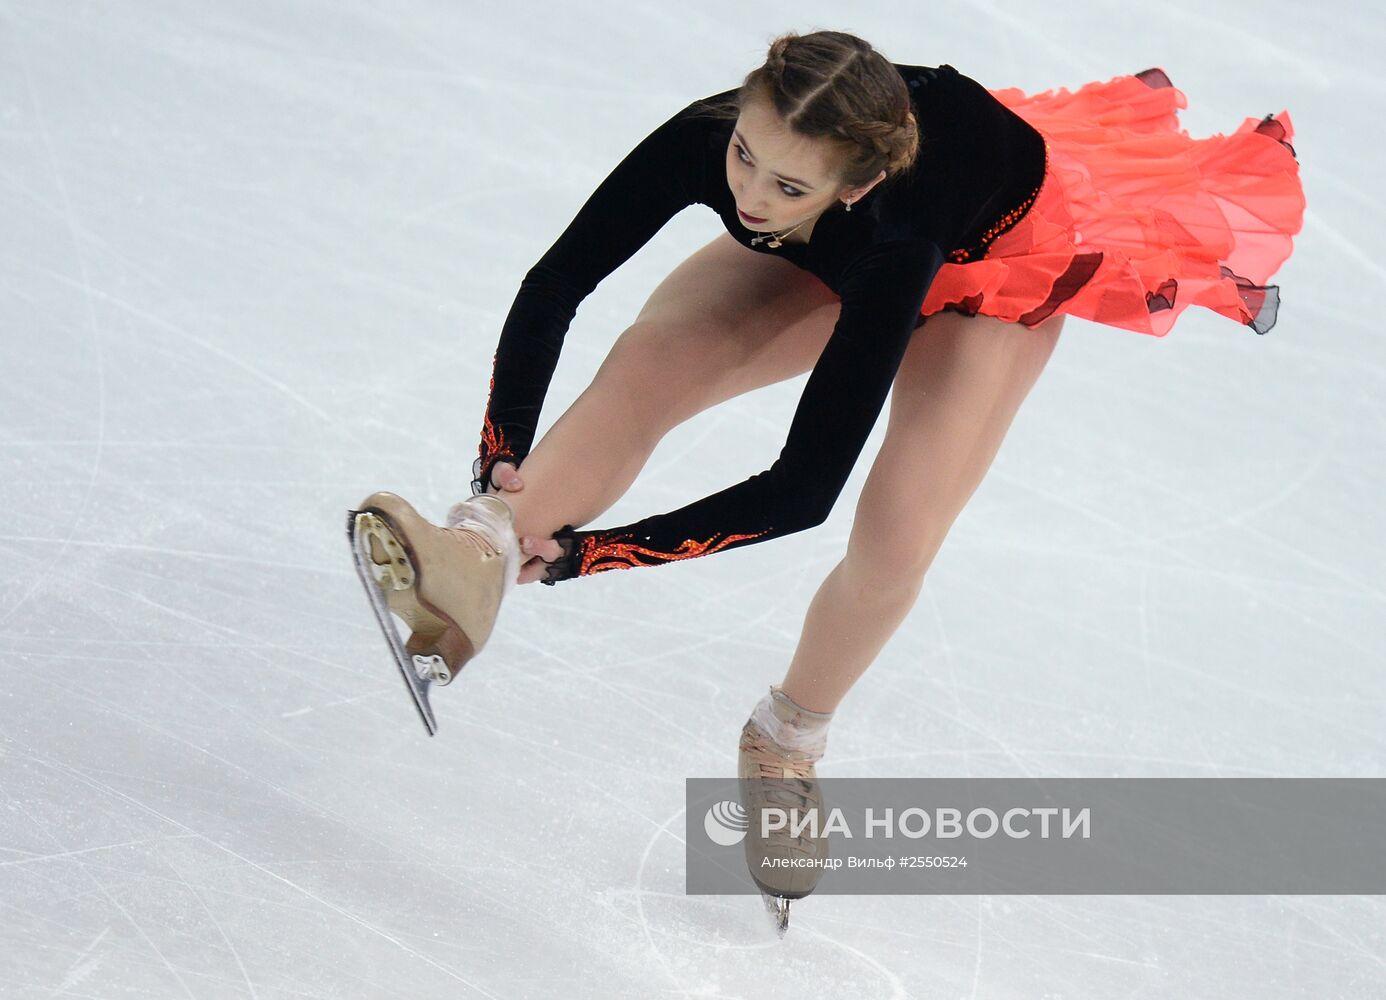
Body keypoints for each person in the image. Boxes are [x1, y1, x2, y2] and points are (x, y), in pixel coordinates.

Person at [352, 29, 1304, 910]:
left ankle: (789, 737)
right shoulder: (733, 139)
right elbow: (556, 281)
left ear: (848, 185)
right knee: (657, 360)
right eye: (744, 159)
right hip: (867, 214)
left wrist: (588, 557)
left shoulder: (897, 237)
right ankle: (473, 551)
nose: (750, 200)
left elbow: (804, 490)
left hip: (995, 268)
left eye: (787, 188)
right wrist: (499, 465)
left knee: (898, 537)